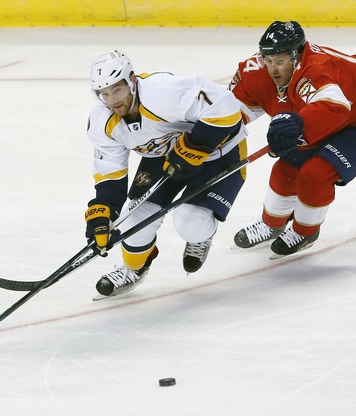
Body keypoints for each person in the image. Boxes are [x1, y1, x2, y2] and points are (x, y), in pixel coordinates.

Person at [228, 21, 356, 258]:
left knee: (315, 175)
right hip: (330, 112)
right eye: (268, 60)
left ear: (296, 56)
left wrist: (296, 127)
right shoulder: (254, 70)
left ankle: (305, 231)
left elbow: (334, 106)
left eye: (280, 61)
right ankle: (272, 225)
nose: (273, 69)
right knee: (286, 168)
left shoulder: (317, 70)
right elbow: (231, 114)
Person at [85, 50, 248, 297]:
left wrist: (196, 147)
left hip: (219, 150)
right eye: (104, 94)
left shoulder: (164, 91)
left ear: (132, 80)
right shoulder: (103, 121)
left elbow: (226, 108)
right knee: (133, 221)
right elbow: (110, 174)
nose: (112, 100)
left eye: (117, 90)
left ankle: (201, 235)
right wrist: (103, 210)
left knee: (190, 222)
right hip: (166, 154)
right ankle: (133, 269)